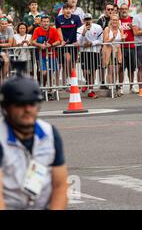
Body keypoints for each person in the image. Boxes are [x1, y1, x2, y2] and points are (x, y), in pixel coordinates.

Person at [0, 75, 68, 210]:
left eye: (32, 104)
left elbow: (60, 186)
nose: (27, 110)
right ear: (6, 108)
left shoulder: (49, 133)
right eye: (20, 104)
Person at [32, 16, 61, 96]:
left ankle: (50, 91)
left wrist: (51, 44)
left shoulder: (53, 30)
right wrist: (40, 45)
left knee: (51, 73)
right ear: (41, 23)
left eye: (47, 21)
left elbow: (58, 41)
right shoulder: (37, 30)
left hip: (52, 54)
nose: (46, 23)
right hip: (41, 55)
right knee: (44, 73)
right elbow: (33, 42)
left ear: (49, 22)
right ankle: (43, 88)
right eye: (44, 21)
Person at [55, 3, 82, 89]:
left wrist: (78, 41)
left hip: (73, 44)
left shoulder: (76, 18)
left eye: (69, 9)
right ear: (63, 10)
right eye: (66, 9)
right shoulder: (59, 18)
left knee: (72, 64)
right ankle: (66, 81)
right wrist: (62, 40)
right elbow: (58, 30)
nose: (68, 10)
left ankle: (71, 81)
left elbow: (80, 30)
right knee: (67, 59)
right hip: (64, 45)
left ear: (72, 10)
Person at [76, 14, 103, 99]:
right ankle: (87, 82)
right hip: (84, 52)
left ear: (91, 20)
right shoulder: (80, 29)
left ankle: (91, 90)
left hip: (95, 51)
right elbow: (79, 42)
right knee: (86, 72)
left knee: (93, 71)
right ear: (83, 21)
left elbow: (101, 40)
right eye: (86, 19)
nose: (88, 21)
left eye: (89, 19)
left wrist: (92, 43)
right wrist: (83, 33)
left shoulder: (98, 27)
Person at [103, 15, 124, 96]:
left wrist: (123, 38)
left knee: (116, 71)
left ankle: (114, 87)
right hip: (109, 51)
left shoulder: (120, 29)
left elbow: (122, 40)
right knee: (110, 70)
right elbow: (105, 41)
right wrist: (113, 38)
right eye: (113, 20)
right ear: (110, 21)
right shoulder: (107, 29)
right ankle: (111, 89)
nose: (115, 21)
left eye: (116, 20)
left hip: (117, 51)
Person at [118, 4, 136, 95]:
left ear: (128, 10)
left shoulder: (132, 19)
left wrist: (132, 28)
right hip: (121, 48)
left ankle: (131, 86)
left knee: (131, 68)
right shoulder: (117, 20)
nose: (124, 10)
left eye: (125, 9)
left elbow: (136, 33)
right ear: (120, 10)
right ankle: (120, 87)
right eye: (122, 9)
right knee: (121, 68)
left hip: (132, 47)